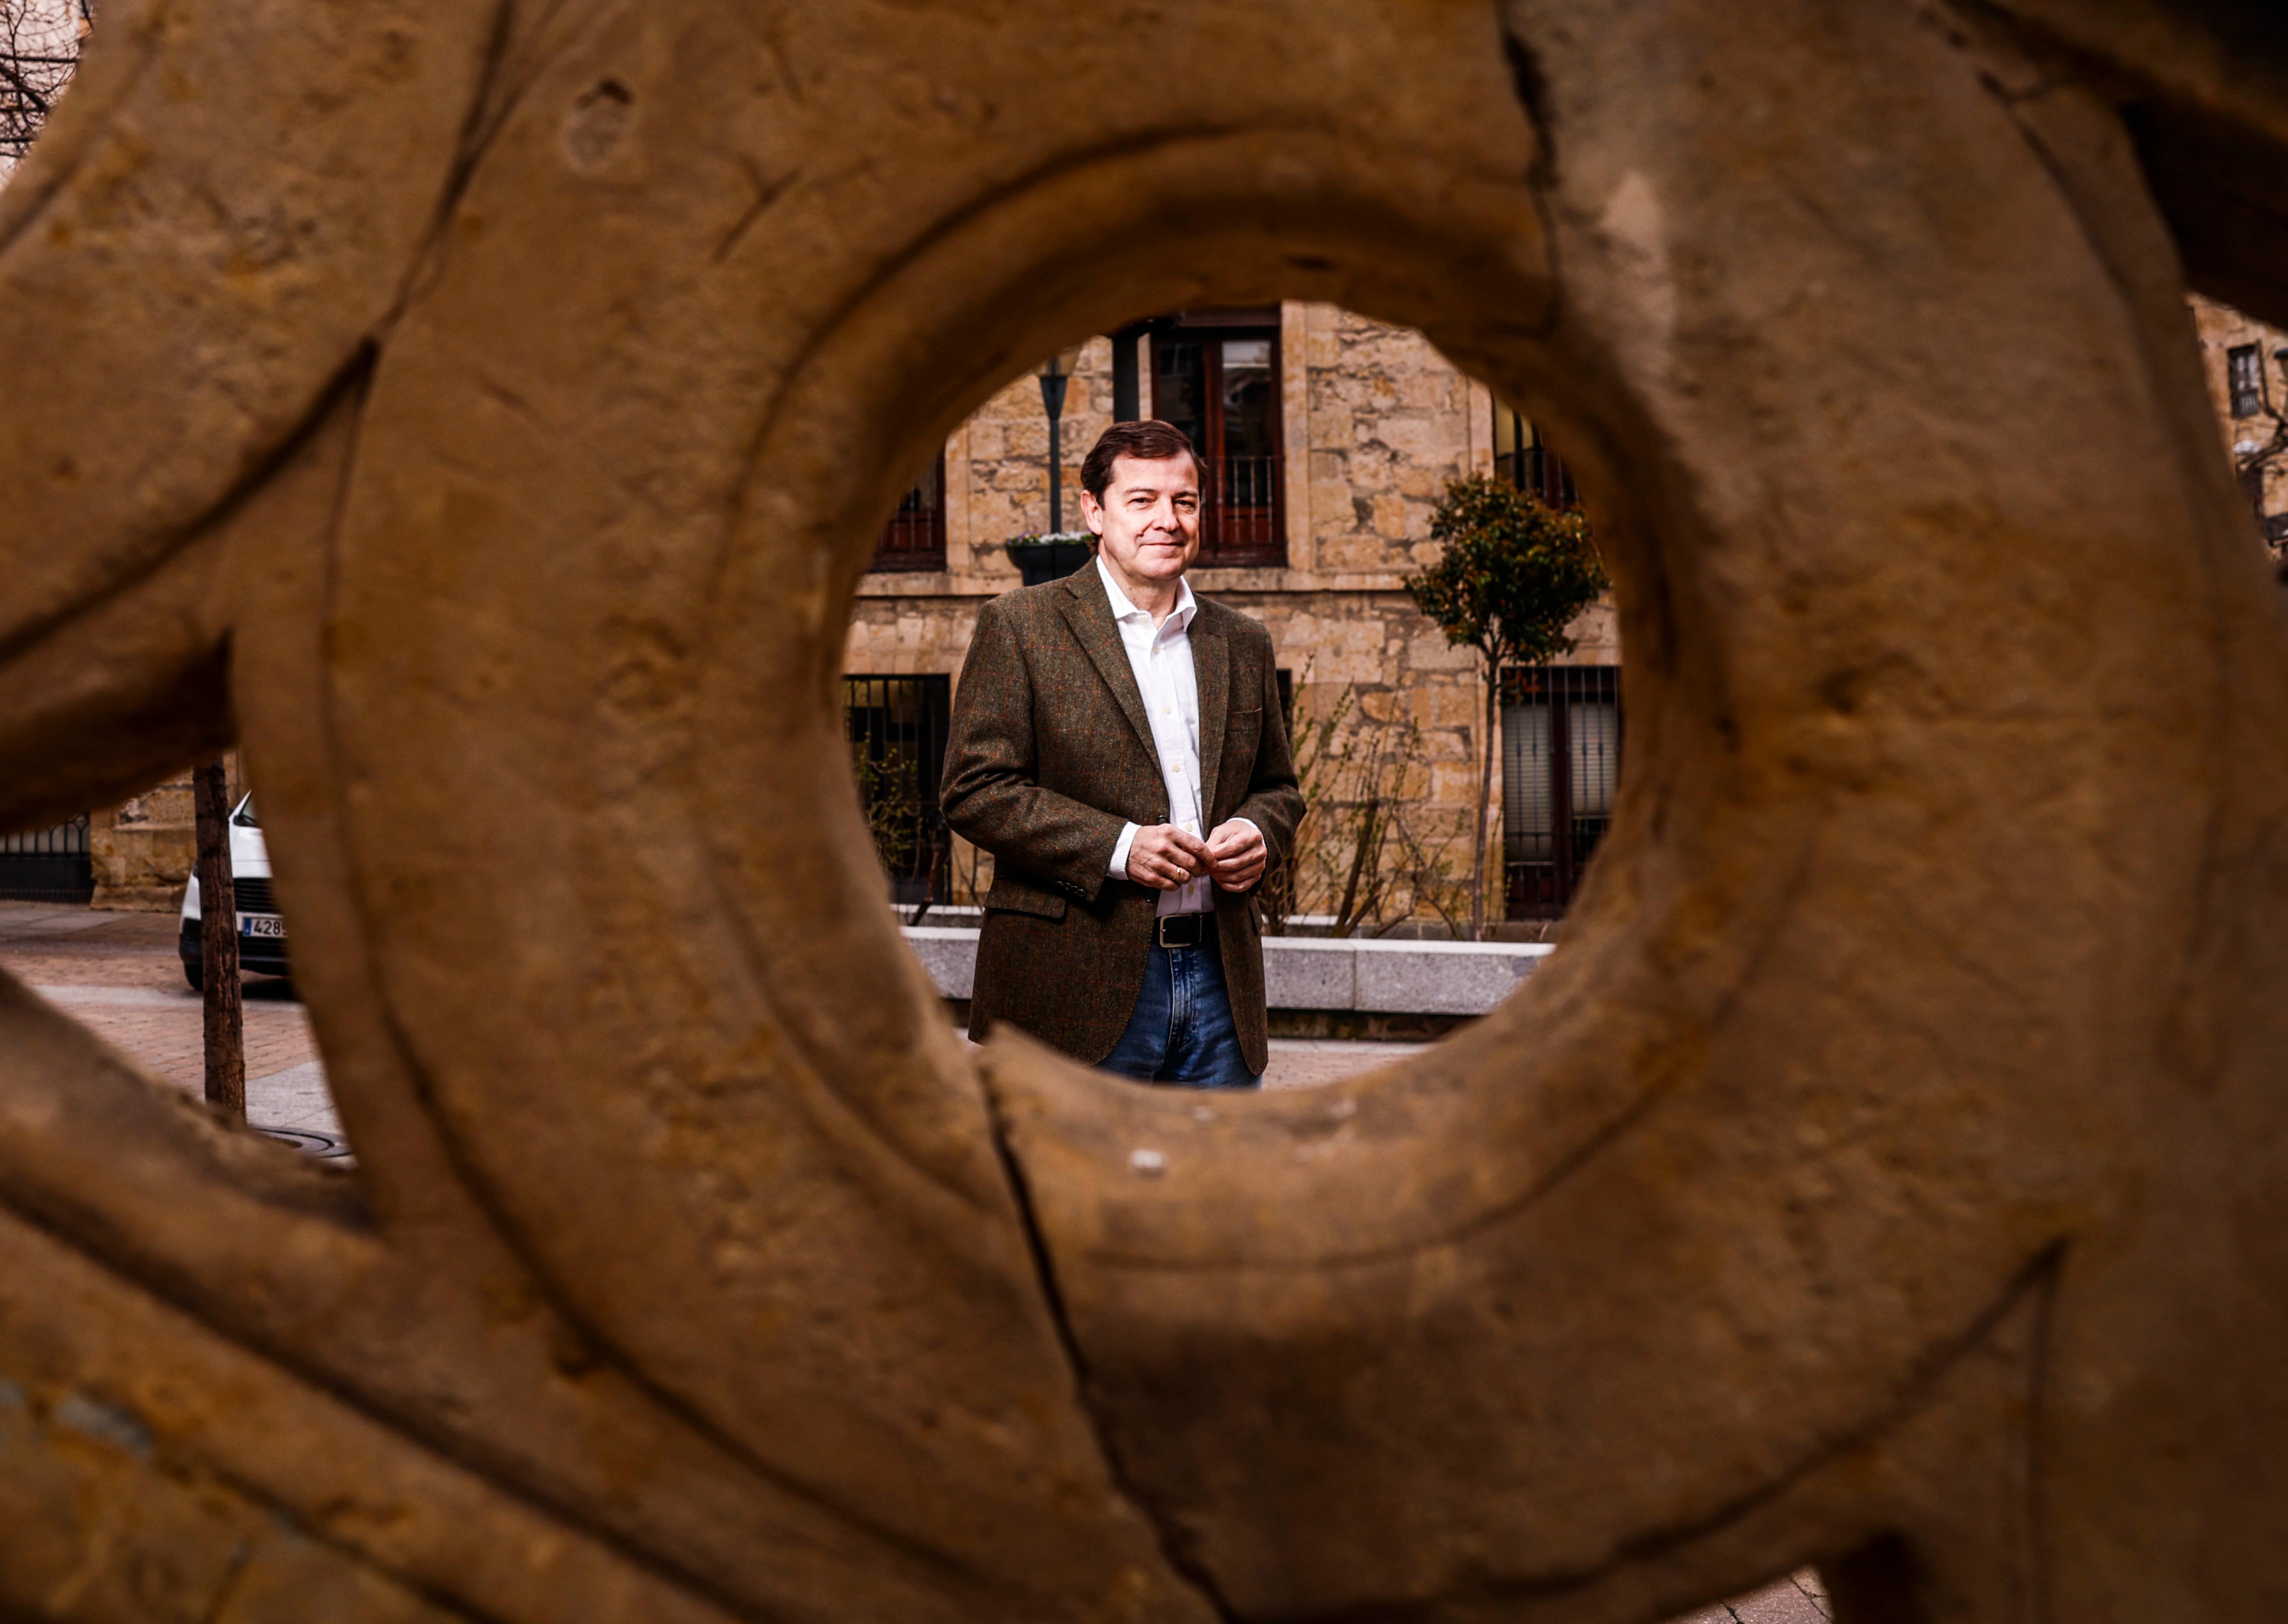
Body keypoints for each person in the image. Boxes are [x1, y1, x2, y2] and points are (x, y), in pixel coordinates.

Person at [940, 419, 1304, 1088]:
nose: (1167, 519)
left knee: (1209, 1192)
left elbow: (1279, 787)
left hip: (1221, 985)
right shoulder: (1020, 626)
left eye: (1184, 501)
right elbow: (974, 788)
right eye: (1142, 500)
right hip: (1069, 986)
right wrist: (1119, 846)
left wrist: (1257, 830)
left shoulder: (1242, 641)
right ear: (1094, 511)